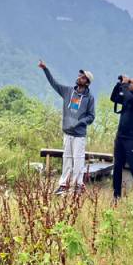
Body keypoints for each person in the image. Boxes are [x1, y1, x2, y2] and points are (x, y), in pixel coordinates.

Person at [38, 60, 96, 194]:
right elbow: (53, 83)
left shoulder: (89, 98)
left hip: (79, 135)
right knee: (67, 159)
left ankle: (77, 186)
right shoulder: (68, 92)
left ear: (87, 82)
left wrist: (80, 122)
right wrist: (45, 69)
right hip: (67, 133)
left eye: (82, 77)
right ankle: (63, 185)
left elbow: (91, 116)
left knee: (78, 160)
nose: (79, 78)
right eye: (79, 75)